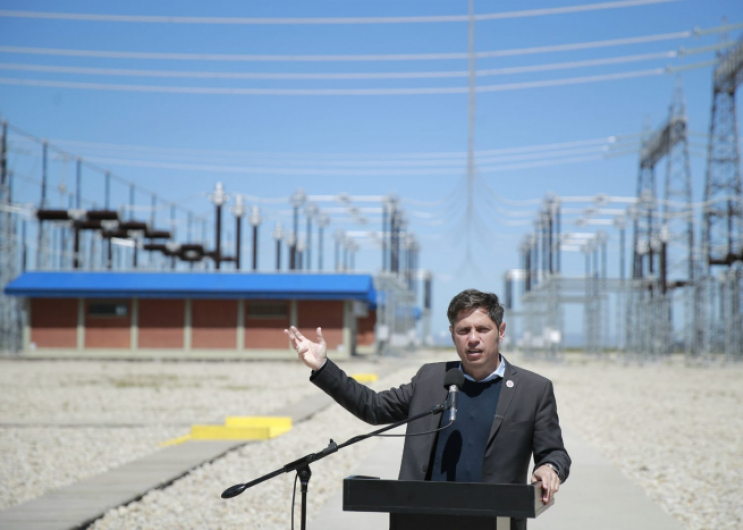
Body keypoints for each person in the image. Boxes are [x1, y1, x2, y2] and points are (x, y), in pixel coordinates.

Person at [285, 289, 570, 527]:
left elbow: (554, 451)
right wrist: (323, 367)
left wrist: (549, 468)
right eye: (463, 330)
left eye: (483, 329)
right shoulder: (432, 379)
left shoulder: (533, 389)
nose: (473, 338)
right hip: (422, 519)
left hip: (494, 521)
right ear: (452, 334)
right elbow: (372, 408)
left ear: (501, 331)